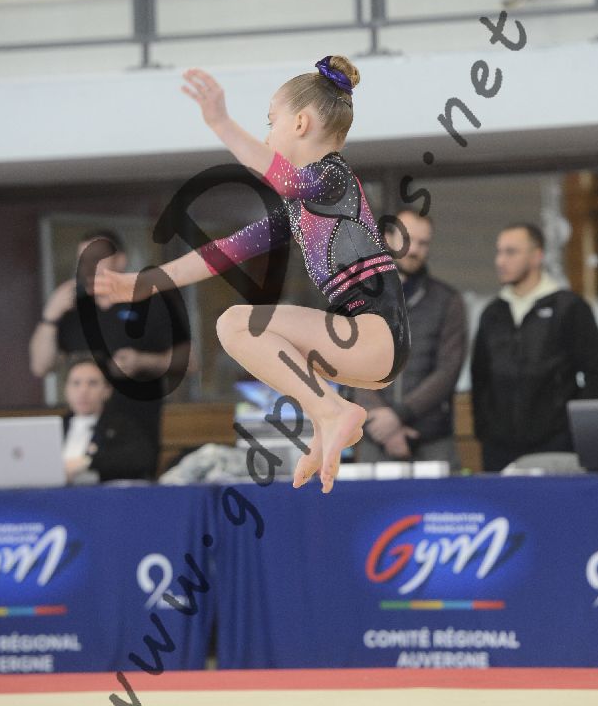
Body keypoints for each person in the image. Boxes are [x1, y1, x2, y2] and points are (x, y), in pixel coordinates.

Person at [93, 56, 411, 494]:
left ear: (300, 123)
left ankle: (331, 412)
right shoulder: (300, 205)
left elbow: (281, 178)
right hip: (366, 348)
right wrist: (144, 283)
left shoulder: (332, 178)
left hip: (374, 335)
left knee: (235, 324)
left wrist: (221, 123)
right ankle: (327, 418)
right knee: (259, 333)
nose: (267, 134)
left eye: (270, 121)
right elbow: (222, 253)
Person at [29, 229, 191, 481]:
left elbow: (190, 362)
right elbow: (40, 366)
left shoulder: (150, 301)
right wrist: (51, 314)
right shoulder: (71, 309)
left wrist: (142, 361)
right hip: (85, 425)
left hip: (137, 422)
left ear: (120, 260)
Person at [470, 223, 598, 473]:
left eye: (511, 252)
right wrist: (485, 430)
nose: (500, 261)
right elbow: (480, 376)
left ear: (537, 256)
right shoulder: (493, 313)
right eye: (499, 252)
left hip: (556, 445)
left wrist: (574, 427)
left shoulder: (569, 308)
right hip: (498, 449)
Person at [354, 211, 467, 471]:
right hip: (375, 438)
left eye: (423, 243)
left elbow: (448, 370)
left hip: (432, 440)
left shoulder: (448, 301)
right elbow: (349, 366)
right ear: (387, 238)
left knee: (442, 500)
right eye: (408, 240)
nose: (415, 250)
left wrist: (398, 416)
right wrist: (384, 425)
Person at [61, 356, 158, 483]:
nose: (83, 391)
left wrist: (88, 462)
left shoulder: (122, 427)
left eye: (92, 383)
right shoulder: (57, 426)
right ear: (66, 390)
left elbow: (140, 459)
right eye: (76, 383)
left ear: (107, 390)